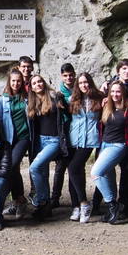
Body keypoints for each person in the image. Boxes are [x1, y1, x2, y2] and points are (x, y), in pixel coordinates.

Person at [91, 81, 128, 224]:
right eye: (113, 91)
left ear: (123, 93)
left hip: (118, 145)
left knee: (96, 172)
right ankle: (112, 211)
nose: (115, 94)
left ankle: (112, 204)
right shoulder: (106, 106)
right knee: (107, 176)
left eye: (118, 91)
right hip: (104, 144)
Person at [26, 74, 67, 218]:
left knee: (34, 168)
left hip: (53, 141)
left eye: (40, 82)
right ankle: (46, 209)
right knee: (42, 174)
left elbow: (67, 112)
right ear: (31, 87)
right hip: (39, 141)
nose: (38, 84)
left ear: (44, 83)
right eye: (34, 83)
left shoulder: (55, 97)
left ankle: (42, 201)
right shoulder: (31, 102)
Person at [0, 68, 31, 218]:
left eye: (19, 81)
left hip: (23, 137)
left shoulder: (27, 98)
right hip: (7, 139)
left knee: (13, 164)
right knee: (12, 168)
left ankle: (19, 201)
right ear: (9, 82)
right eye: (13, 81)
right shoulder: (1, 101)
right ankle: (18, 200)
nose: (16, 83)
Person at [66, 73, 102, 223]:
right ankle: (76, 207)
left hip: (90, 139)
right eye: (80, 83)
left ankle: (84, 203)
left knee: (73, 168)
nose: (83, 85)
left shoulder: (99, 98)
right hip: (74, 139)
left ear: (90, 83)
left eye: (86, 82)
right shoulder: (72, 99)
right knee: (75, 171)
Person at [51, 63, 77, 209]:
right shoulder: (58, 93)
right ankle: (55, 197)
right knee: (60, 166)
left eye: (71, 75)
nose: (69, 78)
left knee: (74, 166)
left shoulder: (79, 89)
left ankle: (75, 198)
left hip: (76, 131)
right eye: (65, 76)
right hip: (63, 132)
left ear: (74, 74)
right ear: (62, 76)